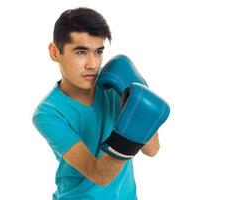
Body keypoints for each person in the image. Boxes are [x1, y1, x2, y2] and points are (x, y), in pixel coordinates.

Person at [32, 7, 168, 200]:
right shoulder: (48, 114)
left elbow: (152, 150)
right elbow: (99, 174)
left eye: (98, 52)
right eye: (81, 52)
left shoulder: (114, 84)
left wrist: (141, 107)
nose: (92, 64)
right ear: (55, 52)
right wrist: (129, 135)